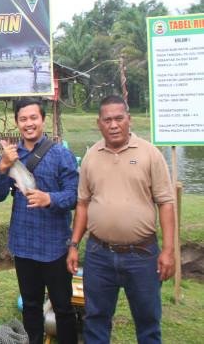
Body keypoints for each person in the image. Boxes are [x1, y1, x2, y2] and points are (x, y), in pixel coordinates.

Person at [67, 95, 175, 344]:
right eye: (107, 120)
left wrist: (168, 250)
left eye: (119, 118)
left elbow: (166, 203)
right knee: (95, 319)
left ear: (129, 120)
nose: (113, 125)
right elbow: (82, 204)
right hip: (99, 254)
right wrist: (73, 245)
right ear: (99, 123)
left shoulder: (150, 154)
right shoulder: (91, 157)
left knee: (148, 322)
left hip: (143, 255)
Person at [0, 98, 78, 344]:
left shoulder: (61, 154)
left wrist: (49, 198)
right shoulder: (12, 155)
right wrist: (3, 167)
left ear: (43, 119)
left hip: (55, 247)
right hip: (24, 244)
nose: (29, 124)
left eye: (33, 118)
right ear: (17, 122)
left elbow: (74, 196)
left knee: (63, 307)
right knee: (30, 305)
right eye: (23, 119)